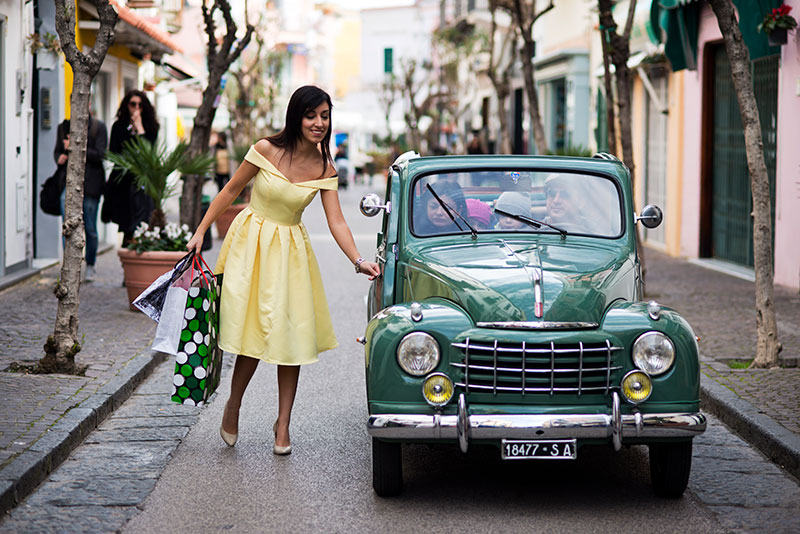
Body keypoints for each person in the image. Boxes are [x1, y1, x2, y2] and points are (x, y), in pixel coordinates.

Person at [185, 85, 380, 454]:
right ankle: (233, 404)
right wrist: (199, 232)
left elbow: (337, 221)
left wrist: (357, 260)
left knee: (290, 338)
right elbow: (229, 191)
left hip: (291, 253)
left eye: (324, 116)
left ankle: (283, 424)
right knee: (253, 334)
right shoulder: (265, 150)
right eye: (311, 115)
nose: (319, 123)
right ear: (296, 116)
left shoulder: (325, 168)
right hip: (251, 247)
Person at [54, 111, 108, 281]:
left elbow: (100, 154)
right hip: (69, 183)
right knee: (68, 227)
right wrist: (60, 157)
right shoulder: (63, 127)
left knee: (90, 229)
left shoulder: (98, 127)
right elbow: (57, 152)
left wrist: (75, 146)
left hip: (91, 185)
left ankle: (90, 265)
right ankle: (69, 267)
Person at [101, 90, 159, 246]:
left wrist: (139, 128)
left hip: (143, 180)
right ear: (127, 105)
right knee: (127, 224)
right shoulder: (119, 126)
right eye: (133, 104)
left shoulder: (151, 127)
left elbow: (149, 150)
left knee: (143, 220)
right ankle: (128, 258)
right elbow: (113, 151)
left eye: (140, 105)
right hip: (123, 181)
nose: (136, 108)